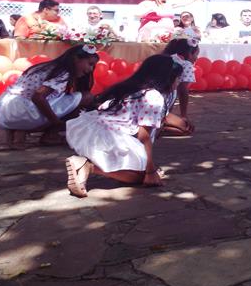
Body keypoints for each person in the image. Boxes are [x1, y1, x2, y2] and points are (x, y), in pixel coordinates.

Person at [63, 55, 183, 197]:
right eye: (178, 78)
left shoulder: (131, 87)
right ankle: (88, 166)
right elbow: (144, 136)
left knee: (142, 169)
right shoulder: (153, 97)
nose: (179, 82)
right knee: (139, 177)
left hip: (94, 129)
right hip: (112, 137)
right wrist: (150, 171)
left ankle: (86, 168)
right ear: (167, 78)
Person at [0, 45, 98, 149]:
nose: (91, 69)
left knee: (65, 100)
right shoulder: (63, 73)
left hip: (6, 109)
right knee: (86, 97)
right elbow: (38, 97)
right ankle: (49, 135)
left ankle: (19, 130)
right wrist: (56, 122)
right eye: (90, 64)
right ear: (76, 59)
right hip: (22, 111)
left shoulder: (48, 67)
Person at [161, 36, 199, 136]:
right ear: (189, 53)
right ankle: (160, 127)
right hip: (162, 106)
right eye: (196, 54)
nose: (197, 58)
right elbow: (183, 91)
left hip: (154, 103)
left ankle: (161, 124)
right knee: (186, 128)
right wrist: (183, 115)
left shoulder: (163, 59)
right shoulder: (186, 64)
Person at [136, 0, 200, 42]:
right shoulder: (147, 4)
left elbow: (182, 2)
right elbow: (137, 14)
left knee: (189, 33)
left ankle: (196, 38)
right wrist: (152, 11)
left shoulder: (168, 4)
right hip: (151, 34)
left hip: (168, 33)